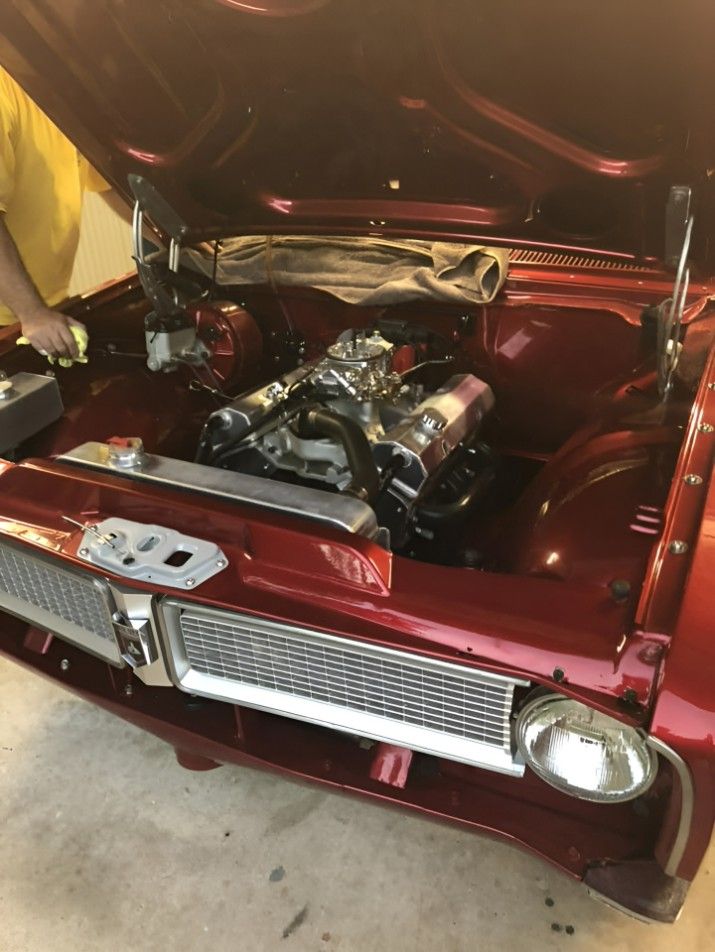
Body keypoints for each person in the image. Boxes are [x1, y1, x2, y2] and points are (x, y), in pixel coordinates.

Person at [0, 65, 112, 359]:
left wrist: (177, 242)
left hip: (38, 308)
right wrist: (32, 313)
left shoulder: (63, 90)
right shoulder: (4, 88)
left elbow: (110, 184)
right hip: (13, 317)